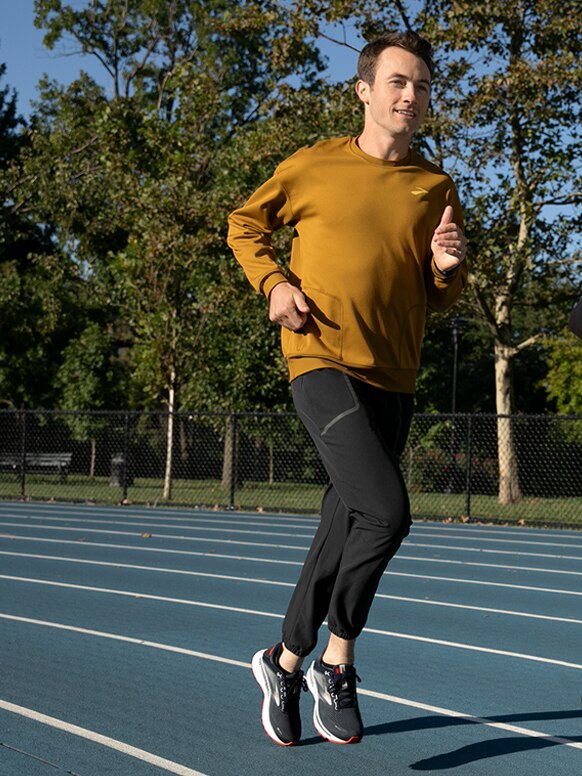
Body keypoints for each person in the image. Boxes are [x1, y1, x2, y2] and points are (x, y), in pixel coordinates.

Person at [227, 30, 468, 747]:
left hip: (394, 373)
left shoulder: (436, 188)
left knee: (346, 518)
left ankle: (284, 661)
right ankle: (338, 660)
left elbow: (441, 294)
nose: (411, 96)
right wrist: (274, 285)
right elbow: (244, 225)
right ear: (364, 91)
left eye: (422, 86)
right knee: (387, 514)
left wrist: (448, 268)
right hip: (320, 359)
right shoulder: (313, 166)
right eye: (397, 82)